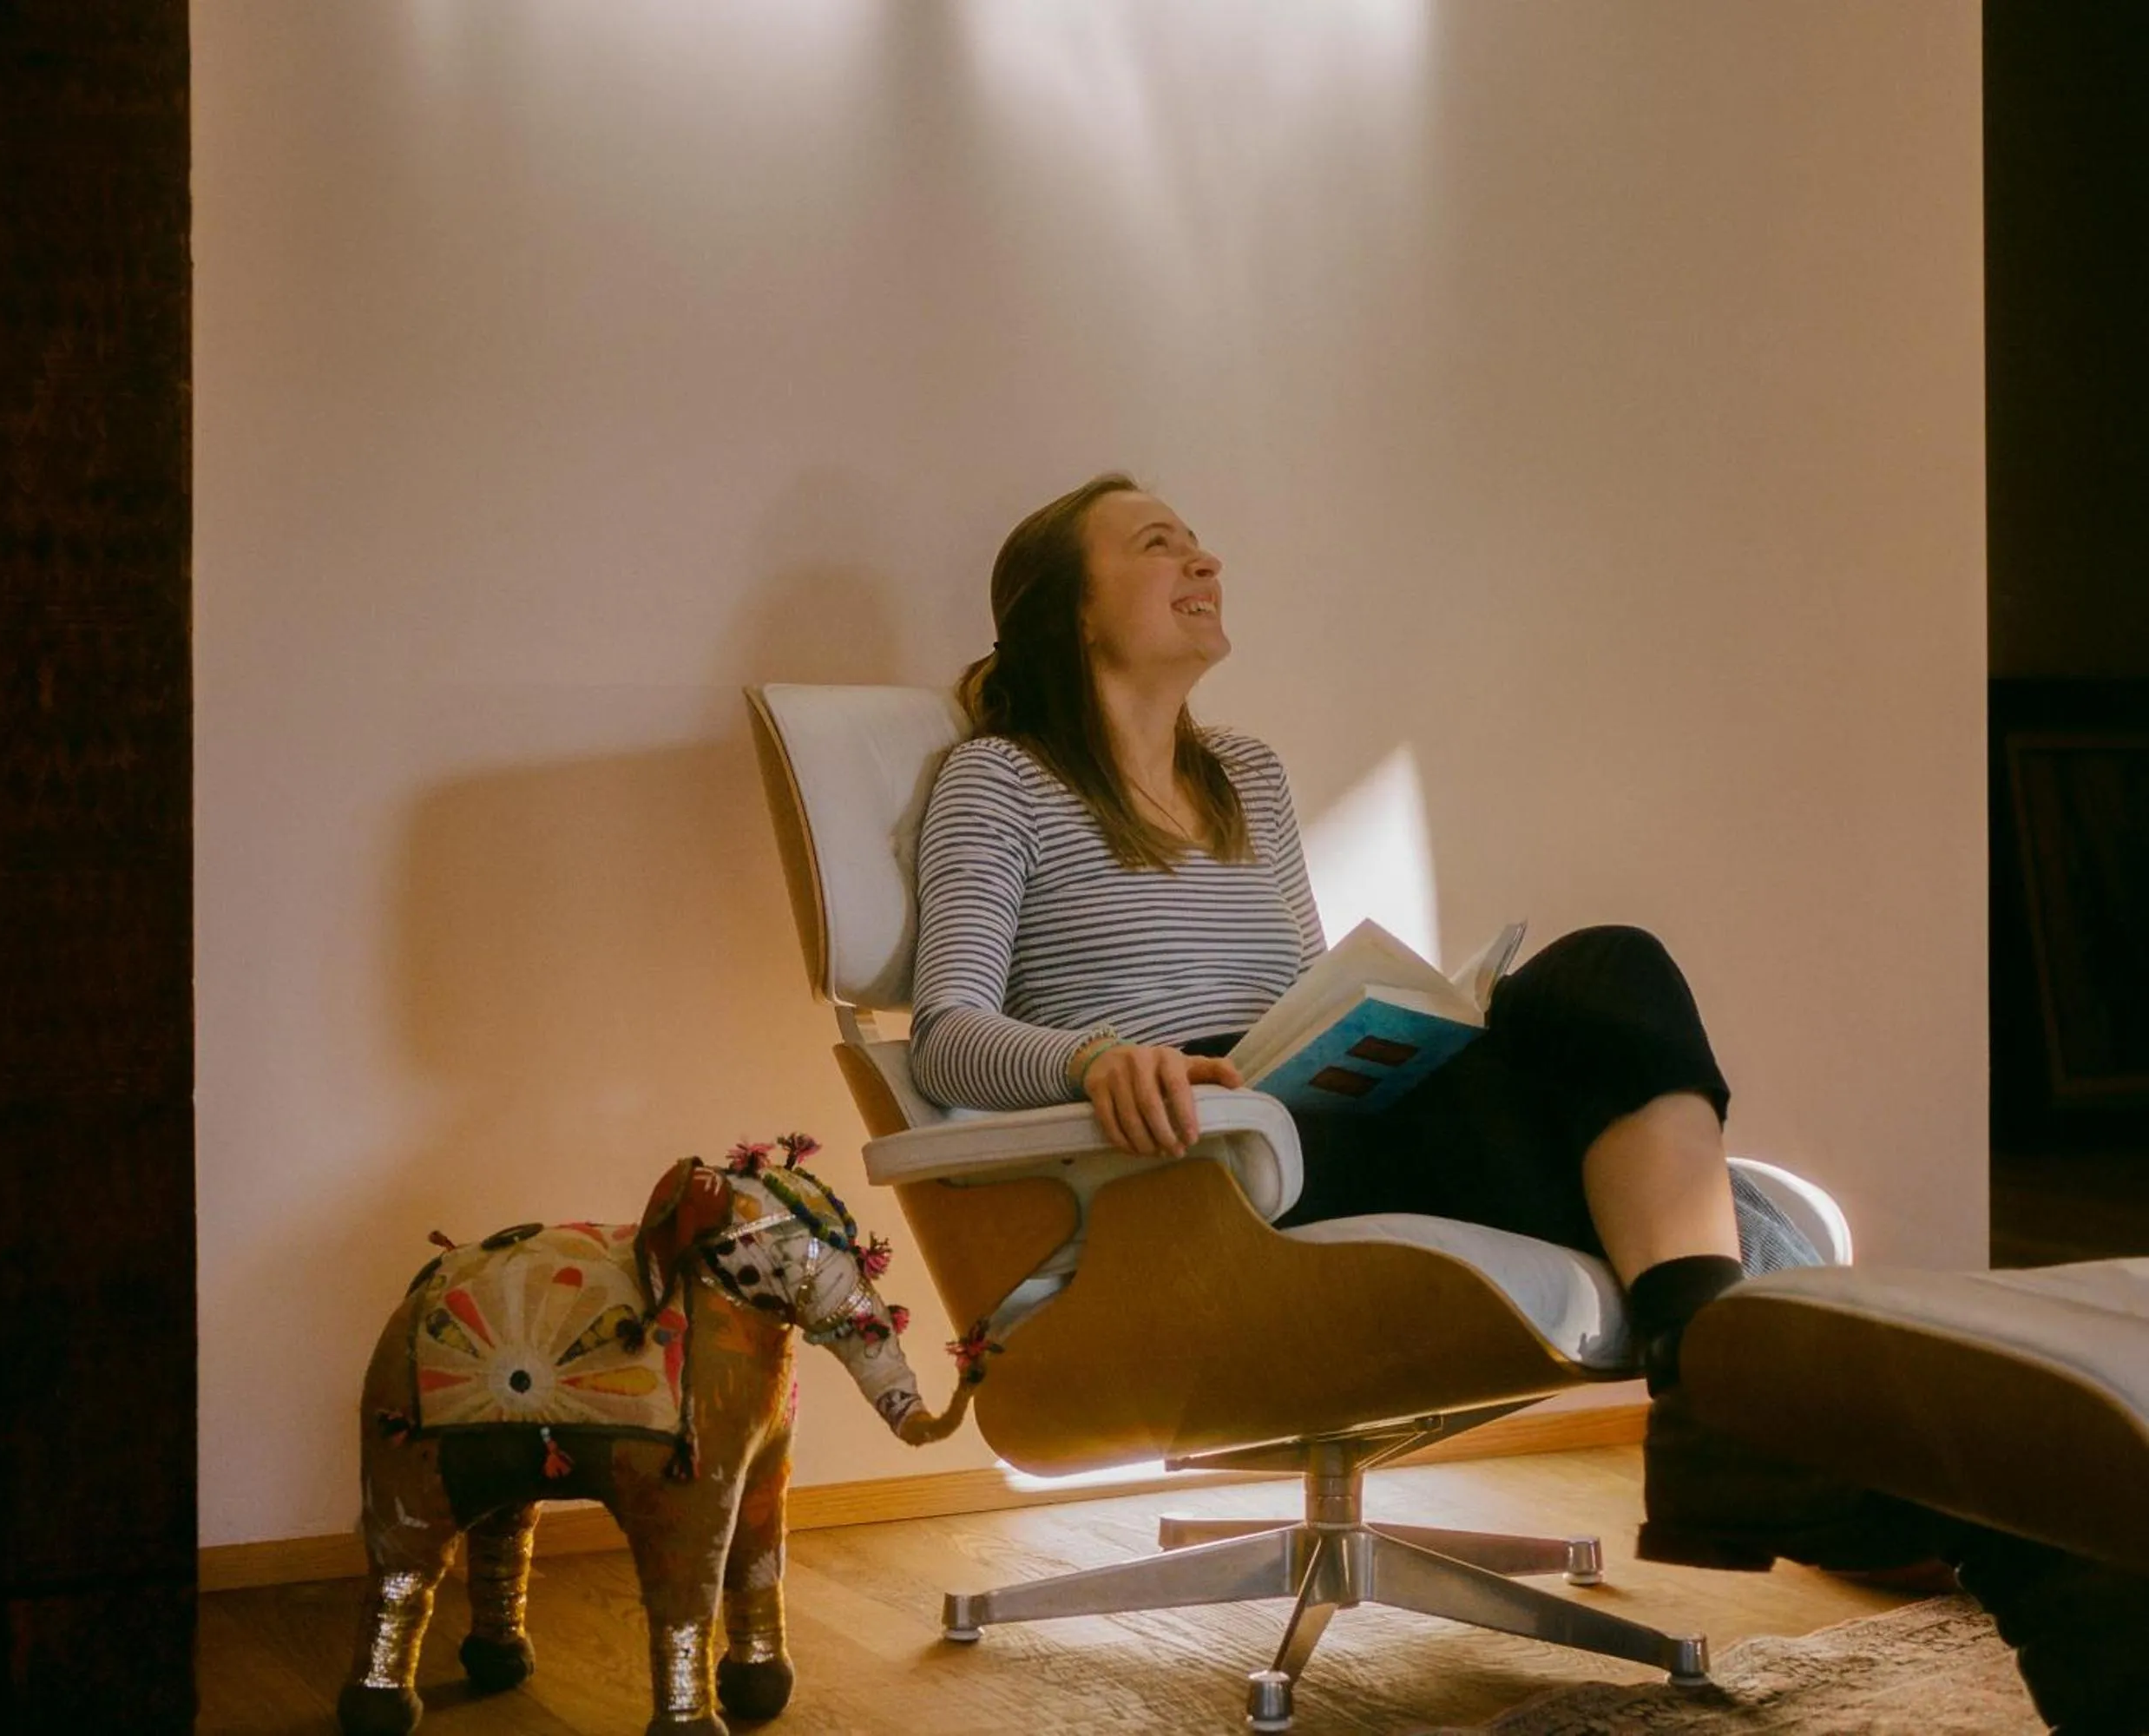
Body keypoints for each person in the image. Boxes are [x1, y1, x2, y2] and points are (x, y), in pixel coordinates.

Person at [907, 473, 2146, 1732]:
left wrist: (1404, 1020)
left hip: (1324, 1104)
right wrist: (1095, 1059)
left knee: (1607, 961)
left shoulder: (1246, 777)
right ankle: (1782, 1428)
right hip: (1199, 1169)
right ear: (1067, 611)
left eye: (1197, 538)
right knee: (1733, 1230)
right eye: (1157, 544)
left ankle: (1776, 1427)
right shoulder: (999, 783)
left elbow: (1298, 988)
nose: (1204, 559)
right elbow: (946, 1033)